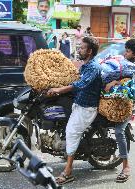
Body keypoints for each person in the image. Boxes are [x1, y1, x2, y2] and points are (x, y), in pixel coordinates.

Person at [47, 37, 102, 185]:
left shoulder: (94, 67)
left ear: (90, 51)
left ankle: (68, 171)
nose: (79, 50)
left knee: (72, 133)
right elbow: (75, 79)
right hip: (78, 103)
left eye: (82, 48)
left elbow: (80, 84)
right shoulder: (85, 65)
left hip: (87, 107)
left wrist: (59, 89)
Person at [105, 39, 135, 183]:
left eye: (127, 51)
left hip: (128, 107)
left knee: (119, 132)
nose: (125, 53)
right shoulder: (126, 64)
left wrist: (114, 83)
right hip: (117, 102)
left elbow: (129, 91)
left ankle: (126, 166)